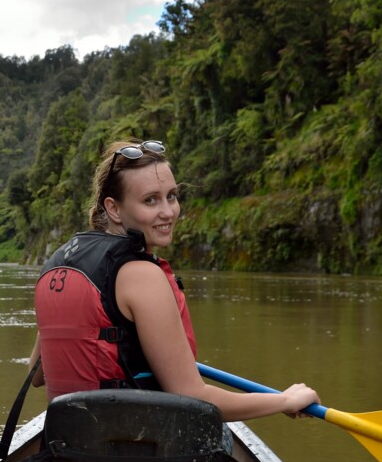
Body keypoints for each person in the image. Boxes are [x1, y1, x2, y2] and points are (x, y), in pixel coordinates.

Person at [27, 138, 319, 421]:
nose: (168, 212)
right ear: (114, 208)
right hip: (132, 443)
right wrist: (284, 400)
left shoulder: (58, 264)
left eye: (171, 196)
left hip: (66, 443)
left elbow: (37, 375)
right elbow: (192, 397)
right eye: (150, 200)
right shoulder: (141, 275)